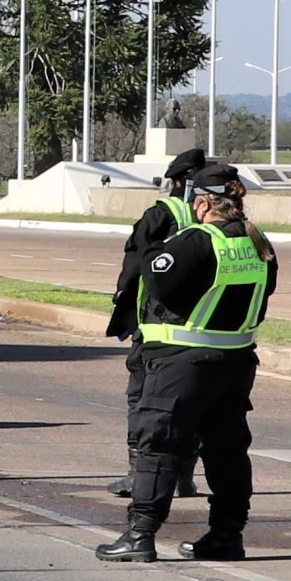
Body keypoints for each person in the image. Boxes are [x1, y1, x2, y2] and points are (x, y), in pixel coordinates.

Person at [95, 164, 276, 563]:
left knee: (158, 447)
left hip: (182, 364)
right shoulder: (258, 243)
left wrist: (154, 250)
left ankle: (140, 534)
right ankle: (227, 536)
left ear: (203, 202)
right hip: (235, 362)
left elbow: (159, 283)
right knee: (227, 450)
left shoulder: (196, 241)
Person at [105, 147, 206, 498]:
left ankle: (138, 474)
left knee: (143, 399)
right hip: (203, 326)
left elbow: (134, 268)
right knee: (192, 403)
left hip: (157, 325)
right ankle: (183, 478)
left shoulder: (163, 213)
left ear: (175, 181)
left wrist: (122, 301)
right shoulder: (212, 218)